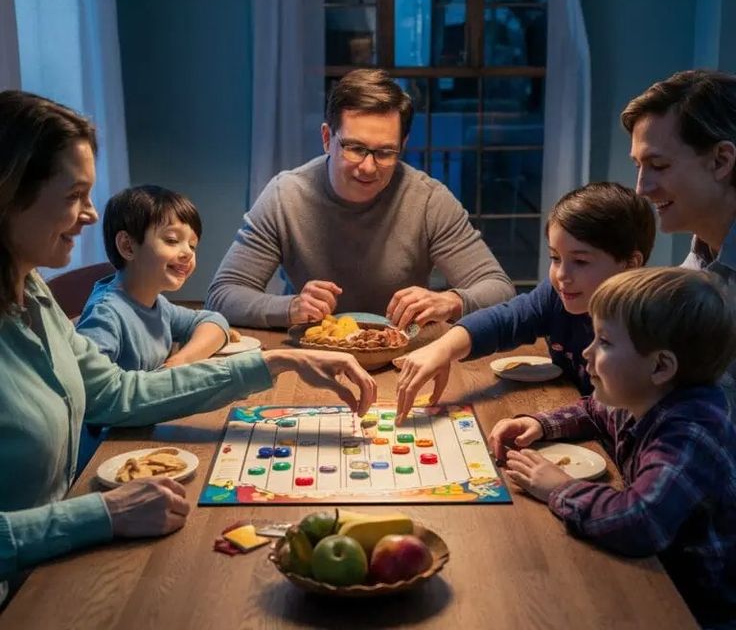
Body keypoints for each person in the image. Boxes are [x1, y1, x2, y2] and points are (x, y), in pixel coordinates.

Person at [0, 90, 376, 599]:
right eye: (73, 196)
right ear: (8, 193)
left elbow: (118, 395)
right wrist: (99, 513)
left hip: (52, 572)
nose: (91, 214)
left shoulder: (33, 291)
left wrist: (281, 359)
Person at [490, 267, 736, 628]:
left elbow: (640, 521)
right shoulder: (641, 396)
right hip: (655, 575)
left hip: (696, 607)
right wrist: (541, 423)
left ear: (660, 366)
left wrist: (560, 488)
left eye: (604, 342)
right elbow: (594, 410)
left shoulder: (691, 432)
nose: (587, 352)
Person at [206, 68, 515, 330]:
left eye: (384, 152)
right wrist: (290, 307)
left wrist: (451, 301)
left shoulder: (428, 200)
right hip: (316, 354)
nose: (368, 167)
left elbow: (500, 289)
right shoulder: (285, 195)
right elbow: (223, 295)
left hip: (404, 356)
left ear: (403, 145)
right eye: (355, 148)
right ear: (327, 138)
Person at [394, 182, 655, 422]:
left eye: (581, 262)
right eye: (555, 258)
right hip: (573, 421)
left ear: (630, 264)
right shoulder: (555, 296)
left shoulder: (648, 329)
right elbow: (506, 320)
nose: (562, 275)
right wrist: (443, 349)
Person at [623, 68, 736, 423]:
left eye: (658, 165)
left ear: (721, 161)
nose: (641, 187)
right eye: (639, 166)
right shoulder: (703, 254)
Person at [77, 185, 229, 370]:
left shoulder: (159, 305)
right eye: (172, 240)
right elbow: (91, 388)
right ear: (128, 246)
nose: (188, 253)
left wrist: (180, 362)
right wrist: (167, 378)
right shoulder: (106, 315)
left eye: (192, 245)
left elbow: (214, 321)